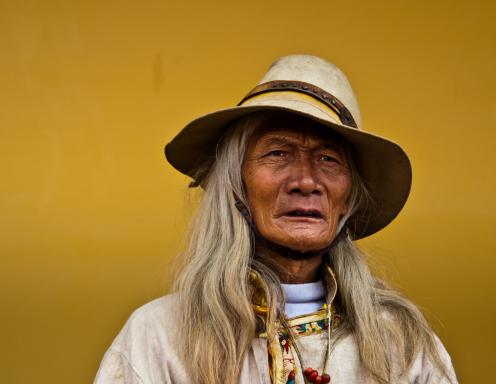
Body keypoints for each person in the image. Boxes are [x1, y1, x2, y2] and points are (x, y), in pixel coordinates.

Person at [94, 55, 458, 384]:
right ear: (237, 186)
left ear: (348, 200)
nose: (305, 182)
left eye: (329, 159)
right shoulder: (159, 336)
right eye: (278, 153)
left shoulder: (401, 343)